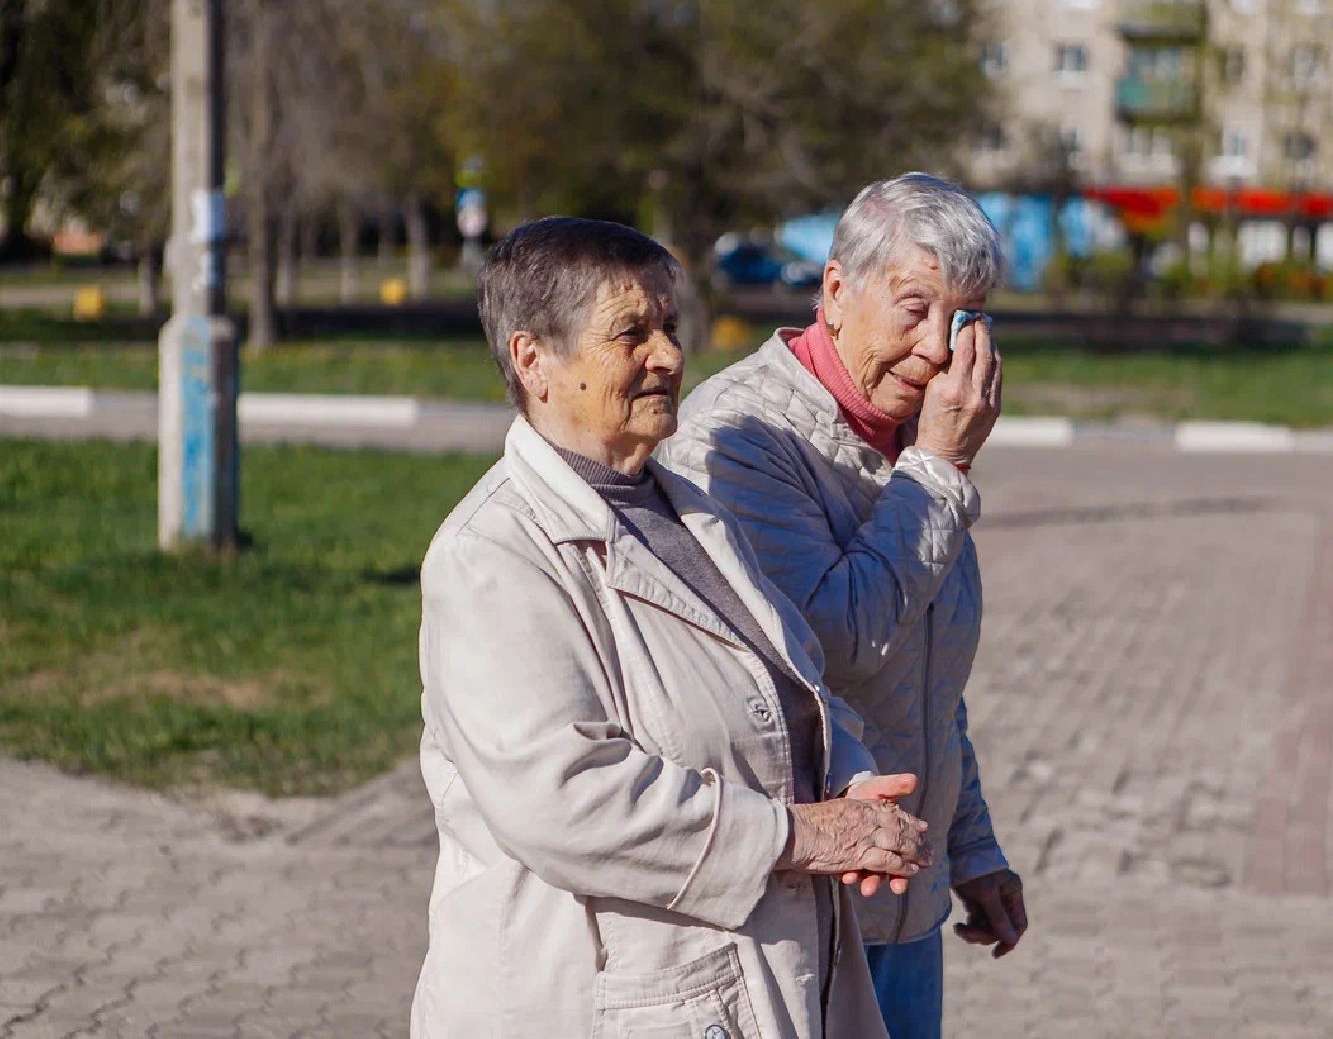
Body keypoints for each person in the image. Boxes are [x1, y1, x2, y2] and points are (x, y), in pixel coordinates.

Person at [412, 216, 931, 1038]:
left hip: (742, 980)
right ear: (531, 358)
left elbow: (781, 687)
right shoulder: (492, 557)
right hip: (599, 998)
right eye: (631, 333)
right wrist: (799, 835)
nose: (668, 355)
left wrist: (848, 779)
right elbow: (568, 797)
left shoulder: (685, 506)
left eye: (668, 325)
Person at [662, 173, 1026, 1039]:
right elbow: (836, 645)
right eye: (913, 308)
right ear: (835, 291)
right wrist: (938, 469)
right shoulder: (743, 439)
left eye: (965, 318)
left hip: (905, 896)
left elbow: (926, 675)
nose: (939, 349)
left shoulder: (909, 436)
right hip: (801, 908)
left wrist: (968, 847)